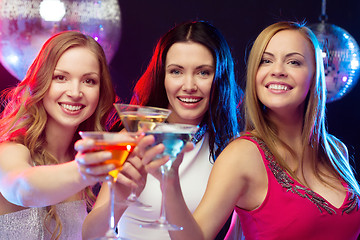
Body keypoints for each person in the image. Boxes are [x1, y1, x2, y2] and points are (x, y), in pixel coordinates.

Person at [139, 21, 360, 240]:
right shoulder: (242, 154)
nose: (277, 71)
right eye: (266, 61)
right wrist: (170, 181)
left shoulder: (335, 150)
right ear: (255, 74)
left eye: (294, 62)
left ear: (315, 76)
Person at [80, 20, 243, 239]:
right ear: (162, 76)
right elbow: (90, 235)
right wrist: (118, 201)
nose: (189, 86)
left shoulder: (229, 151)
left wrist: (170, 182)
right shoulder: (134, 137)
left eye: (203, 73)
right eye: (176, 71)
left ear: (220, 78)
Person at [0, 31, 117, 240]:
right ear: (40, 82)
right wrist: (89, 169)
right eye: (60, 77)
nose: (75, 92)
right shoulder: (11, 148)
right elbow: (23, 189)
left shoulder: (74, 157)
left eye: (89, 81)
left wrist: (123, 194)